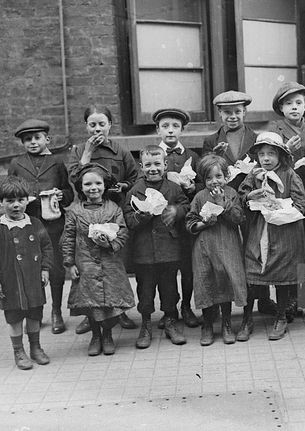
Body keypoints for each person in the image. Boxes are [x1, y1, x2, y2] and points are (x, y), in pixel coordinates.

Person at [67, 105, 138, 334]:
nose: (97, 129)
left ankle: (119, 311)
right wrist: (86, 153)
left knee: (113, 265)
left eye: (102, 124)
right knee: (89, 266)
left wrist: (123, 186)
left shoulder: (120, 150)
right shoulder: (79, 150)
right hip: (87, 212)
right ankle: (92, 314)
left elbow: (134, 176)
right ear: (86, 126)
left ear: (110, 125)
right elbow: (74, 178)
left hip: (113, 210)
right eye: (92, 124)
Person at [61, 163, 135, 356]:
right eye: (88, 184)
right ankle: (95, 335)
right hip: (85, 264)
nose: (93, 188)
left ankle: (108, 334)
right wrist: (69, 263)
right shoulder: (74, 212)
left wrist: (111, 244)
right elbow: (68, 237)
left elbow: (123, 232)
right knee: (91, 303)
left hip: (110, 262)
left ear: (104, 185)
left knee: (110, 302)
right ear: (81, 188)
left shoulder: (113, 208)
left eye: (97, 183)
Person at [239, 132, 305, 341]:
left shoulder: (290, 174)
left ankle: (281, 317)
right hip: (259, 229)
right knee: (252, 271)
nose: (266, 158)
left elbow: (300, 203)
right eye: (262, 154)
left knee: (282, 275)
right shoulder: (253, 174)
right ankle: (247, 318)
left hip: (283, 231)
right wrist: (250, 197)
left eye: (271, 154)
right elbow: (242, 196)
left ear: (280, 155)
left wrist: (282, 207)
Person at [9, 119, 74, 334]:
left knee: (55, 268)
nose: (33, 142)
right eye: (28, 139)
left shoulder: (56, 162)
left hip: (53, 224)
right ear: (23, 143)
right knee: (31, 270)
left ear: (47, 139)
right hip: (27, 224)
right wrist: (20, 199)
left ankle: (56, 312)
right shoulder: (17, 164)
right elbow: (9, 191)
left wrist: (60, 195)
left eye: (37, 138)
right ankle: (36, 312)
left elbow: (69, 192)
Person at [268, 81, 305, 320]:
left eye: (299, 103)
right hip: (286, 198)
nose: (294, 108)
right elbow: (268, 164)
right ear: (281, 108)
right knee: (289, 251)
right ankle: (289, 299)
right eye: (288, 103)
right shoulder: (274, 132)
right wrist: (286, 153)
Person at [123, 146, 190, 347]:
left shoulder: (174, 188)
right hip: (144, 251)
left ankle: (170, 320)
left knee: (169, 287)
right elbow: (127, 217)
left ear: (165, 165)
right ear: (141, 167)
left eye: (157, 164)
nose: (153, 169)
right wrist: (139, 216)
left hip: (168, 247)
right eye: (148, 165)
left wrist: (176, 211)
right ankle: (146, 325)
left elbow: (187, 205)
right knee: (145, 289)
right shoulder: (135, 190)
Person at [0, 176, 53, 370]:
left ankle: (36, 347)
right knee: (14, 317)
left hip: (33, 279)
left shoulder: (35, 224)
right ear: (1, 203)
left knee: (34, 314)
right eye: (10, 201)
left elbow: (47, 247)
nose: (16, 205)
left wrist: (45, 268)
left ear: (27, 200)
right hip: (11, 281)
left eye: (20, 200)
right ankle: (18, 351)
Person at [186, 155, 247, 346]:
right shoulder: (199, 196)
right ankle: (207, 324)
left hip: (227, 244)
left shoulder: (231, 193)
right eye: (209, 178)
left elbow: (238, 218)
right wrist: (203, 224)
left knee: (225, 280)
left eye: (218, 176)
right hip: (204, 246)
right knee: (206, 281)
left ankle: (227, 323)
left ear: (226, 176)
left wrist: (223, 203)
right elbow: (190, 221)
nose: (214, 181)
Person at [154, 108, 202, 329]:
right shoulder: (153, 156)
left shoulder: (192, 156)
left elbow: (204, 184)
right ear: (158, 130)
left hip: (186, 222)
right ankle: (169, 310)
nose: (170, 130)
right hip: (163, 224)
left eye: (175, 126)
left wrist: (193, 186)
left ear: (182, 130)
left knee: (188, 268)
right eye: (165, 126)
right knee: (167, 268)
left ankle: (186, 306)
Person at [202, 90, 257, 191]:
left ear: (244, 112)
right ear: (220, 113)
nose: (233, 116)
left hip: (250, 193)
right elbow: (204, 172)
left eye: (237, 111)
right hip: (223, 194)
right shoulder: (211, 141)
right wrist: (215, 155)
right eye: (227, 112)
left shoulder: (256, 139)